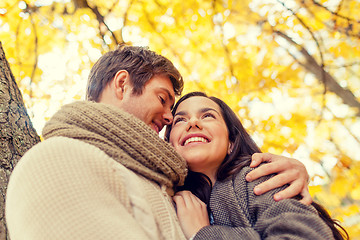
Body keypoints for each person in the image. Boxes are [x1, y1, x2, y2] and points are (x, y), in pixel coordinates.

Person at [6, 45, 309, 239]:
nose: (168, 118)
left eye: (207, 117)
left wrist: (293, 171)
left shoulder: (176, 187)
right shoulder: (59, 160)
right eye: (165, 102)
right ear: (122, 84)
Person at [165, 91, 349, 240]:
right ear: (169, 141)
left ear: (231, 143)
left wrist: (203, 234)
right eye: (180, 120)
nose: (193, 122)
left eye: (208, 116)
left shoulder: (258, 179)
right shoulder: (168, 193)